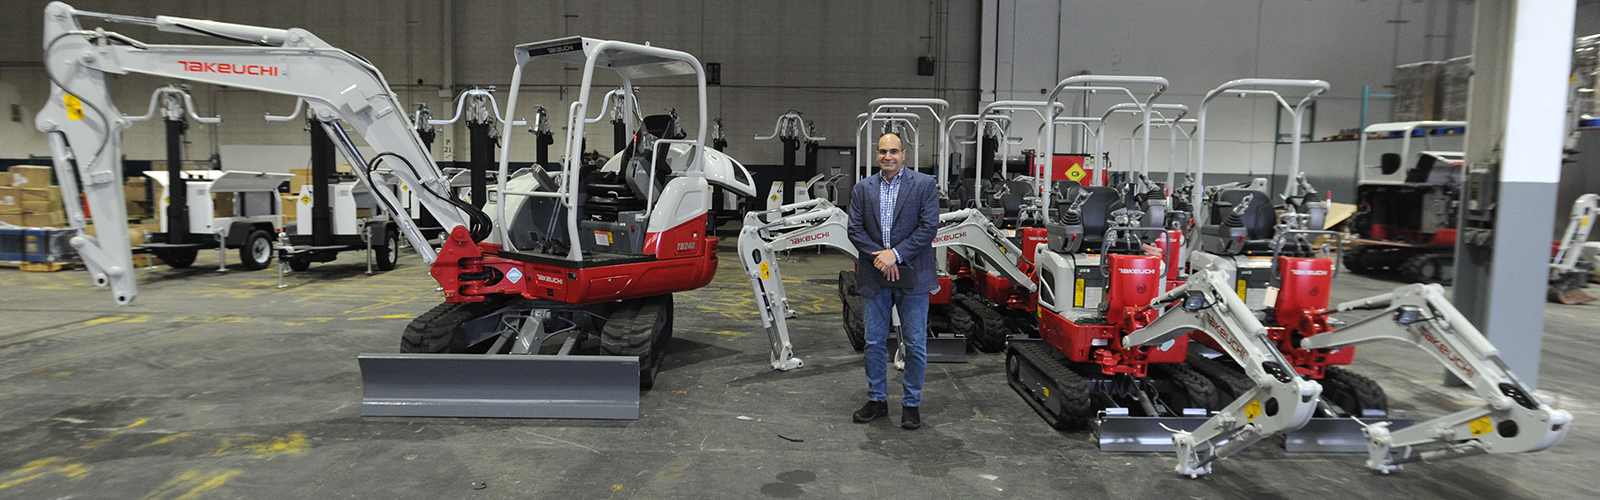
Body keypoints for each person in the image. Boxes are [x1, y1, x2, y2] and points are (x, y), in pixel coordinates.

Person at [846, 131, 939, 430]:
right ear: (876, 155)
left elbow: (928, 227)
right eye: (883, 151)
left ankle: (911, 404)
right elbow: (854, 230)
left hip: (914, 274)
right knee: (873, 342)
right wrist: (881, 257)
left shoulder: (924, 185)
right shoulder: (863, 189)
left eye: (894, 151)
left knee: (914, 343)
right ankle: (877, 400)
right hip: (875, 274)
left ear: (904, 154)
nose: (888, 157)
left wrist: (895, 255)